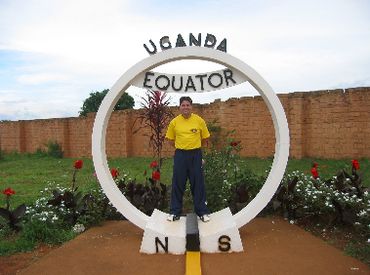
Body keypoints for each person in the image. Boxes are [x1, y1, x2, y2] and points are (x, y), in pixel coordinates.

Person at [165, 96, 211, 222]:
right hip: (180, 155)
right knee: (178, 183)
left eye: (188, 105)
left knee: (198, 184)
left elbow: (205, 138)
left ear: (191, 106)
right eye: (183, 105)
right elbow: (170, 139)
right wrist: (181, 147)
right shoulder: (174, 122)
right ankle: (175, 212)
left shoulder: (199, 120)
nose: (185, 107)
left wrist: (198, 152)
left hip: (196, 155)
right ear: (179, 107)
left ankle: (202, 212)